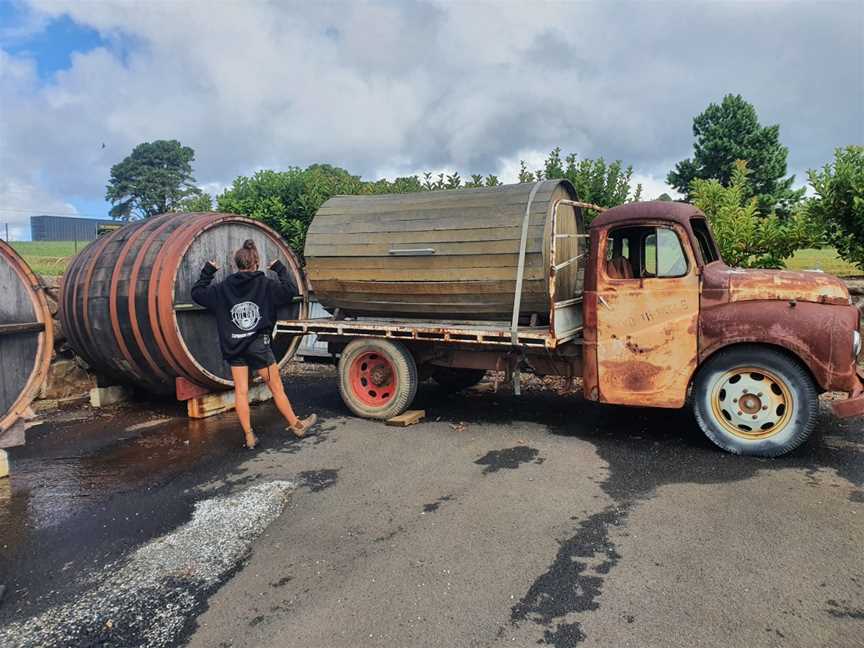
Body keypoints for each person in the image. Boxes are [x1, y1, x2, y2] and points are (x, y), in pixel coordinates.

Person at [191, 239, 317, 449]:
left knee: (241, 392)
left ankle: (249, 436)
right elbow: (290, 291)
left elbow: (197, 294)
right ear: (256, 263)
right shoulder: (265, 284)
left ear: (235, 265)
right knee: (277, 389)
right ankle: (296, 425)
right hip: (259, 347)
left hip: (234, 347)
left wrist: (208, 271)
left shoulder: (223, 288)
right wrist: (279, 268)